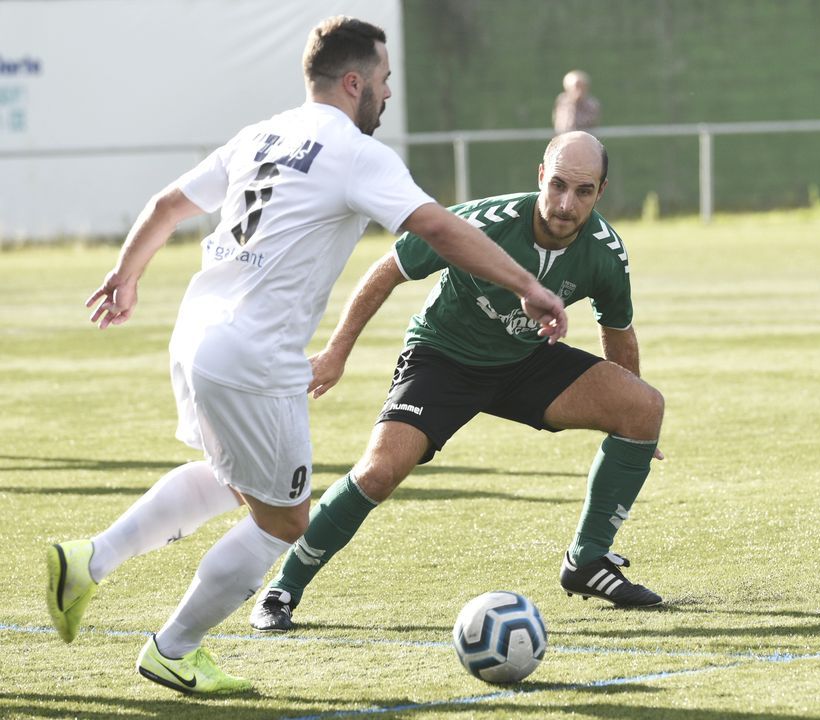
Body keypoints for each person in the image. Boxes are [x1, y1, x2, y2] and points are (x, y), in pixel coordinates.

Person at [45, 16, 567, 695]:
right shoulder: (355, 153)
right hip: (256, 357)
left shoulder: (260, 134)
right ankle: (173, 648)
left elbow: (168, 203)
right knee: (287, 519)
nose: (388, 93)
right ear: (354, 82)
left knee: (236, 479)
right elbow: (439, 227)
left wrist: (128, 274)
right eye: (383, 80)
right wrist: (528, 284)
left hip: (197, 333)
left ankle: (90, 560)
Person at [248, 131, 665, 634]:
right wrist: (337, 352)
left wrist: (633, 426)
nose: (564, 203)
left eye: (582, 191)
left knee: (643, 408)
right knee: (379, 473)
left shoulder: (604, 251)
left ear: (601, 191)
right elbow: (389, 269)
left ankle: (587, 563)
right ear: (540, 176)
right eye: (556, 185)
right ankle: (282, 589)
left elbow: (616, 330)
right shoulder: (482, 224)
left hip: (526, 361)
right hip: (443, 358)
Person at [552, 69, 601, 135]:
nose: (580, 89)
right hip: (564, 138)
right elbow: (561, 122)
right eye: (577, 86)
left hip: (584, 139)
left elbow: (589, 122)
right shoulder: (562, 100)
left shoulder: (591, 103)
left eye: (583, 86)